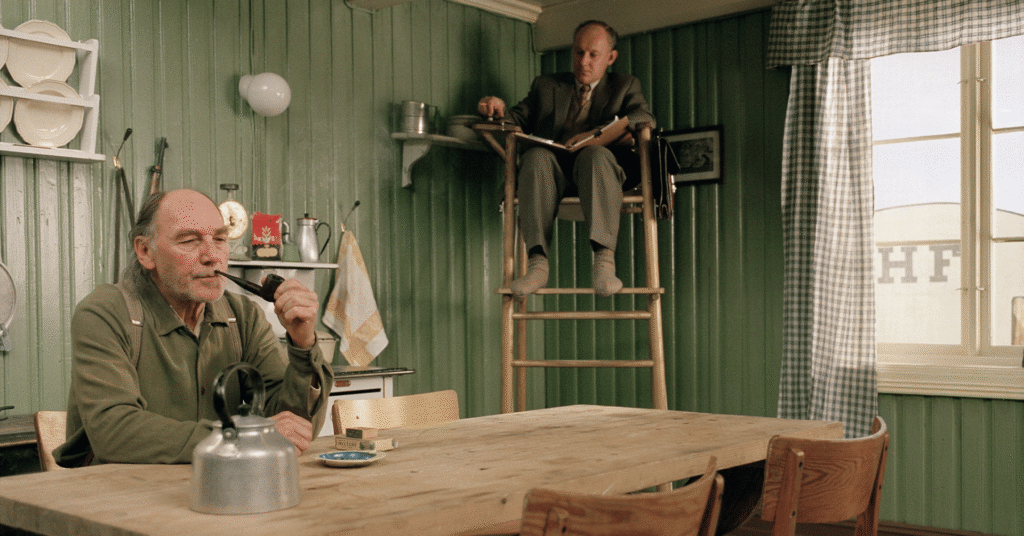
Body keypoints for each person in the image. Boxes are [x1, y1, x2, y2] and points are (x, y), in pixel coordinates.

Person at [55, 189, 333, 466]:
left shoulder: (244, 316)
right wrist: (238, 437)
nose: (212, 256)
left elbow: (294, 428)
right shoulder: (106, 312)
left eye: (220, 239)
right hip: (121, 490)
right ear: (145, 251)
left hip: (221, 484)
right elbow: (114, 431)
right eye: (189, 241)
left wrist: (303, 345)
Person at [478, 20, 656, 298]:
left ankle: (604, 264)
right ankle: (537, 266)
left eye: (593, 55)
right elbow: (513, 121)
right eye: (578, 52)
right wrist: (495, 109)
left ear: (610, 57)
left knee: (595, 154)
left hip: (600, 175)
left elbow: (644, 117)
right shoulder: (546, 85)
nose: (583, 61)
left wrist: (596, 136)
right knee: (535, 157)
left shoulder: (625, 85)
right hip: (552, 177)